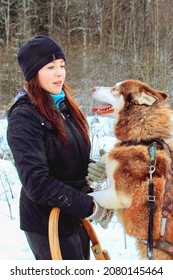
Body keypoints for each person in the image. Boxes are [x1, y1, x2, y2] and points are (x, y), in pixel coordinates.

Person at [7, 36, 114, 260]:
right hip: (47, 222)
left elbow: (65, 158)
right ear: (33, 73)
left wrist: (95, 168)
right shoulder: (24, 116)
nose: (59, 73)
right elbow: (36, 183)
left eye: (62, 65)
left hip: (73, 215)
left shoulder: (63, 106)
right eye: (50, 67)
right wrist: (90, 207)